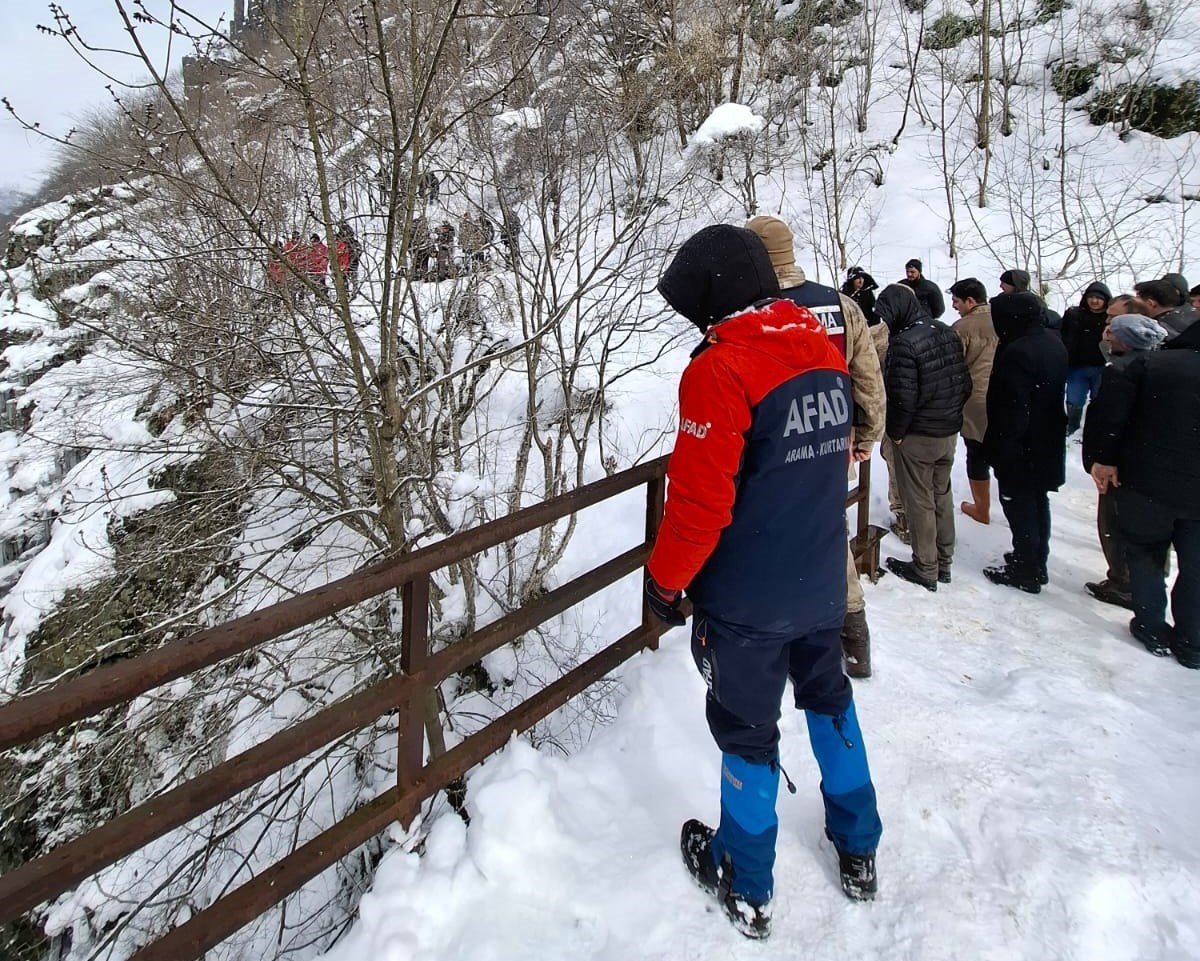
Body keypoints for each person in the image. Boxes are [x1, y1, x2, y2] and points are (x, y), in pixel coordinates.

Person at [645, 224, 883, 939]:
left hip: (749, 597)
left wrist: (662, 586)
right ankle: (859, 844)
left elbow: (699, 505)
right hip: (818, 578)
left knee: (747, 730)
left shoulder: (720, 370)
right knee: (829, 699)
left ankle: (745, 879)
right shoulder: (818, 346)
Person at [746, 215, 885, 679]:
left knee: (766, 533)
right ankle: (853, 636)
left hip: (771, 450)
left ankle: (777, 638)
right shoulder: (840, 304)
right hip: (830, 443)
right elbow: (868, 379)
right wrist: (866, 435)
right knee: (828, 529)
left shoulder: (751, 310)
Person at [1081, 317, 1200, 668]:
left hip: (1147, 481)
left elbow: (1111, 418)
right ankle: (1193, 640)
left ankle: (1150, 624)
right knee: (1196, 566)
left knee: (1145, 551)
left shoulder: (1147, 365)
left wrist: (1103, 459)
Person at [878, 284, 971, 591]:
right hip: (947, 429)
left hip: (918, 433)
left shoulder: (903, 343)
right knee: (941, 495)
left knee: (919, 501)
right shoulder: (946, 331)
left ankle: (925, 566)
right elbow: (964, 381)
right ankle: (944, 561)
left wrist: (897, 433)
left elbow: (902, 396)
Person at [980, 292, 1068, 593]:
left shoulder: (1019, 351)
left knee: (1020, 506)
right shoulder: (1051, 341)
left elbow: (1013, 407)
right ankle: (1035, 560)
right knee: (1036, 501)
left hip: (1022, 443)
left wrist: (1002, 448)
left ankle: (1026, 568)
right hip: (1046, 436)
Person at [1081, 310, 1168, 610]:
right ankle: (1143, 577)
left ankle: (1124, 581)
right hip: (1146, 461)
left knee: (1114, 522)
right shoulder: (1158, 366)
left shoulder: (1120, 372)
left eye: (1113, 331)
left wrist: (1103, 459)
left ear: (1127, 340)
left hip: (1120, 463)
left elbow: (1111, 421)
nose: (1106, 334)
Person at [949, 279, 998, 525]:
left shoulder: (962, 328)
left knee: (976, 454)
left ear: (970, 301)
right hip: (1006, 396)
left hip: (975, 398)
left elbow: (953, 368)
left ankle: (981, 507)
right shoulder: (1005, 319)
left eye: (956, 301)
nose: (953, 306)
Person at [1060, 281, 1111, 435]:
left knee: (1099, 400)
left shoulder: (1111, 317)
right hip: (1077, 366)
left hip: (1101, 367)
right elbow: (1061, 334)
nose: (1094, 301)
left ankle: (1095, 429)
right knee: (1074, 399)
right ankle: (1072, 426)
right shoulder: (1074, 314)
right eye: (1091, 297)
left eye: (1099, 298)